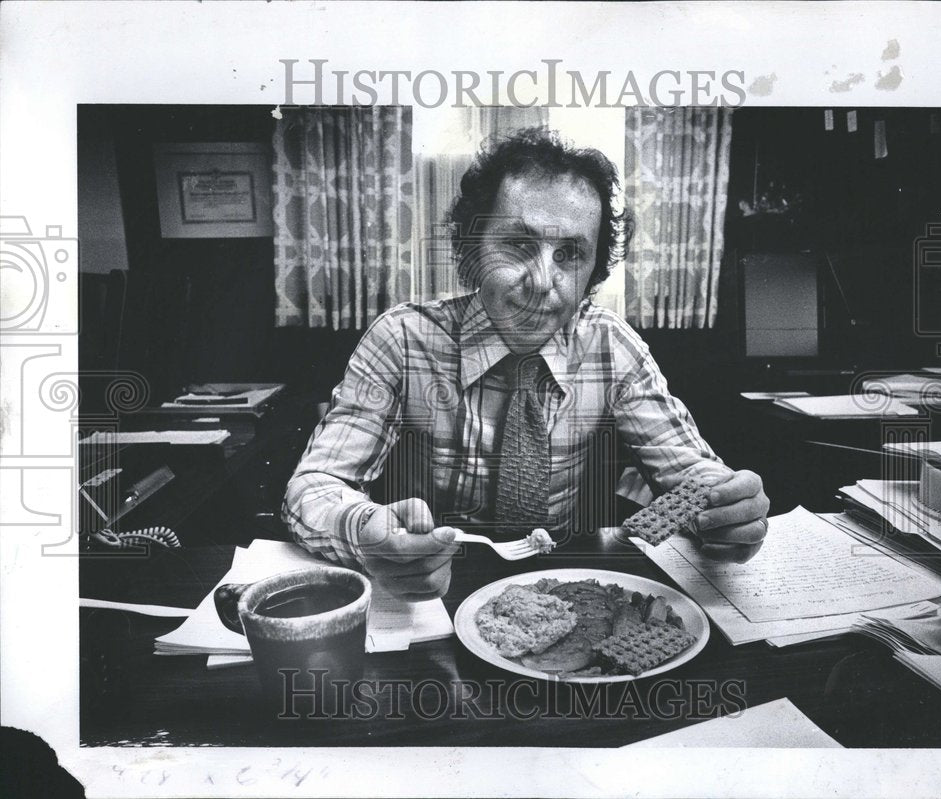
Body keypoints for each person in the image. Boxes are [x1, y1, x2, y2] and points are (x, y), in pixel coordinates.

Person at [283, 128, 769, 600]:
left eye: (570, 254)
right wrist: (367, 530)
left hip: (562, 594)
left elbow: (695, 478)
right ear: (472, 251)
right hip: (430, 597)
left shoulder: (611, 346)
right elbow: (314, 487)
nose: (543, 281)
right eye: (518, 245)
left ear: (592, 273)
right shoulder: (403, 340)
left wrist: (729, 511)